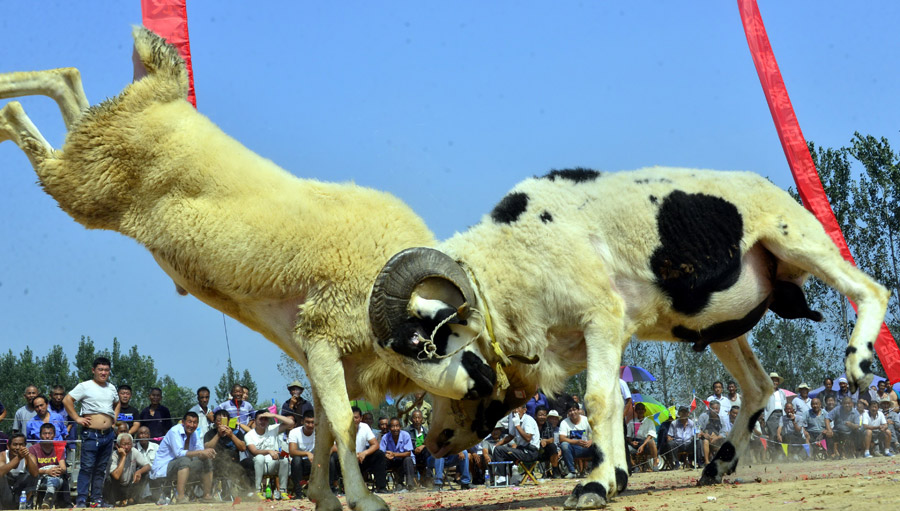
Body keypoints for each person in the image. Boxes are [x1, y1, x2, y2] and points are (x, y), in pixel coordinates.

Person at [63, 356, 120, 508]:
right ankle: (81, 500)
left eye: (106, 370)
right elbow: (67, 400)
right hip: (91, 433)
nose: (103, 373)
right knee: (87, 467)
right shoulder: (85, 386)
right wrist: (76, 418)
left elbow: (117, 402)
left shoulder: (112, 388)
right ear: (94, 370)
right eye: (100, 369)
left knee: (101, 469)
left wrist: (114, 418)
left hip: (108, 434)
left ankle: (96, 500)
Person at [149, 411, 216, 504]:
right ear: (183, 422)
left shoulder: (195, 433)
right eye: (189, 422)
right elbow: (179, 453)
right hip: (164, 467)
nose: (192, 425)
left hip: (184, 466)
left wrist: (207, 452)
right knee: (184, 460)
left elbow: (200, 450)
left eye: (195, 422)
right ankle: (180, 497)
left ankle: (207, 495)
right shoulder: (174, 431)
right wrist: (201, 452)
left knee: (206, 459)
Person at [330, 407, 387, 493]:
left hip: (361, 460)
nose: (353, 420)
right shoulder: (340, 428)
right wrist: (351, 454)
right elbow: (333, 447)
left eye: (356, 417)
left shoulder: (365, 427)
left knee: (379, 454)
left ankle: (381, 487)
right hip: (345, 461)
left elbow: (375, 445)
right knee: (332, 457)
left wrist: (365, 453)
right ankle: (333, 488)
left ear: (360, 418)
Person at [243, 410, 294, 499]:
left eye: (266, 419)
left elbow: (291, 423)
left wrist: (273, 415)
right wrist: (269, 451)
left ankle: (283, 491)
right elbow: (254, 451)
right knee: (259, 458)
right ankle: (258, 491)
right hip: (260, 466)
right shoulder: (249, 435)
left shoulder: (272, 429)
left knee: (285, 459)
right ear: (255, 421)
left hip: (273, 464)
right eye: (260, 419)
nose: (263, 422)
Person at [203, 409, 247, 500]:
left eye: (224, 420)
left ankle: (248, 492)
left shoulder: (236, 432)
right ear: (215, 421)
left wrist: (231, 436)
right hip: (216, 464)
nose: (221, 423)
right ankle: (219, 492)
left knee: (249, 462)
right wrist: (218, 435)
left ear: (228, 421)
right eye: (219, 420)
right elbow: (207, 447)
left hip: (235, 464)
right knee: (219, 461)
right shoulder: (210, 433)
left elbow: (243, 448)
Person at [28, 423, 68, 509]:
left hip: (55, 476)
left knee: (55, 479)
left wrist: (57, 470)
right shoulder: (33, 449)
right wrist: (47, 471)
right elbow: (34, 470)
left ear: (54, 435)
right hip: (39, 477)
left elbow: (63, 467)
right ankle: (48, 500)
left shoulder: (59, 448)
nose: (47, 436)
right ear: (40, 435)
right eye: (44, 433)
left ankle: (47, 500)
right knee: (53, 479)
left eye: (50, 433)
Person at [106, 432, 150, 506]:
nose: (126, 447)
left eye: (129, 444)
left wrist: (139, 471)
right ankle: (113, 501)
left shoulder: (134, 451)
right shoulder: (114, 455)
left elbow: (148, 465)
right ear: (118, 445)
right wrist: (123, 457)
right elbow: (116, 476)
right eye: (124, 444)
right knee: (109, 479)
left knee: (145, 473)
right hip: (117, 487)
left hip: (129, 485)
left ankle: (133, 499)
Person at [0, 433, 38, 509]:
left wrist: (26, 457)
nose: (18, 447)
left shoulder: (30, 456)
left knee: (31, 475)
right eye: (15, 444)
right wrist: (18, 458)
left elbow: (35, 474)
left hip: (20, 490)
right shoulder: (2, 456)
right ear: (8, 446)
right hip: (6, 488)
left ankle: (24, 505)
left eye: (21, 445)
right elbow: (0, 472)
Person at [379, 418, 415, 492]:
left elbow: (408, 453)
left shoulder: (405, 435)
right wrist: (386, 455)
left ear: (400, 427)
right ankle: (381, 486)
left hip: (403, 459)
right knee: (381, 461)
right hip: (391, 460)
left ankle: (410, 485)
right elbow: (381, 452)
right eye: (392, 426)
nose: (395, 429)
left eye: (397, 426)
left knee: (408, 459)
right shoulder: (385, 437)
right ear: (389, 428)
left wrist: (394, 454)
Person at [558, 402, 590, 479]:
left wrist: (590, 442)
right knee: (564, 445)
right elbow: (561, 438)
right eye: (570, 411)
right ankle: (572, 471)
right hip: (574, 449)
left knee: (598, 444)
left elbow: (596, 434)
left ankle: (596, 469)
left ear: (579, 410)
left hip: (588, 447)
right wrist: (576, 442)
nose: (572, 412)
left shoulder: (586, 420)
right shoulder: (564, 422)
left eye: (574, 410)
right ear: (568, 413)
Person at [286, 411, 314, 499]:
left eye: (313, 422)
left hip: (315, 462)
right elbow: (292, 451)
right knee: (296, 459)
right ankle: (299, 493)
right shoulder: (294, 432)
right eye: (307, 422)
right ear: (302, 422)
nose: (310, 425)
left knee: (329, 459)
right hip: (300, 463)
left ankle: (331, 489)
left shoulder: (319, 432)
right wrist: (307, 453)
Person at [626, 403, 660, 471]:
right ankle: (635, 466)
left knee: (651, 442)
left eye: (642, 409)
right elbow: (628, 436)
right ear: (635, 411)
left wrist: (643, 446)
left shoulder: (649, 421)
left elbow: (650, 436)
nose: (640, 411)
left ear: (644, 411)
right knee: (625, 447)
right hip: (635, 443)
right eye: (638, 409)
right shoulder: (631, 422)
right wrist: (631, 442)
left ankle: (655, 464)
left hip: (646, 442)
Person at [534, 406, 561, 478]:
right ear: (535, 415)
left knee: (552, 446)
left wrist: (545, 440)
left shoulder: (548, 424)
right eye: (540, 415)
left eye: (544, 415)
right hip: (533, 448)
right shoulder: (531, 423)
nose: (542, 417)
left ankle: (555, 470)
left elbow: (552, 439)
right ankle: (531, 472)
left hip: (545, 449)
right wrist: (539, 441)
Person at [698, 402, 727, 466]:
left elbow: (724, 431)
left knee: (725, 441)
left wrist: (717, 437)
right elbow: (698, 429)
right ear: (709, 408)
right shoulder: (703, 416)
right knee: (705, 441)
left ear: (719, 409)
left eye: (717, 408)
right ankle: (707, 461)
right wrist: (703, 434)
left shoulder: (721, 418)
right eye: (713, 408)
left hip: (717, 438)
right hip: (706, 437)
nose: (715, 410)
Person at [406, 410, 430, 483]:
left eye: (419, 418)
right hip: (412, 454)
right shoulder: (407, 431)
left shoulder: (426, 431)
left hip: (424, 455)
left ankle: (428, 478)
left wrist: (423, 446)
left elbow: (430, 443)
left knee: (428, 451)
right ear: (411, 419)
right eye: (414, 418)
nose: (417, 420)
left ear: (422, 419)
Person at [764, 372, 788, 444]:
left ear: (778, 382)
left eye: (776, 381)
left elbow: (785, 403)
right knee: (773, 435)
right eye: (772, 380)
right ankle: (773, 454)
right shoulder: (766, 392)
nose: (774, 382)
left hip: (782, 414)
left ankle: (782, 453)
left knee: (783, 434)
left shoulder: (782, 392)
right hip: (771, 415)